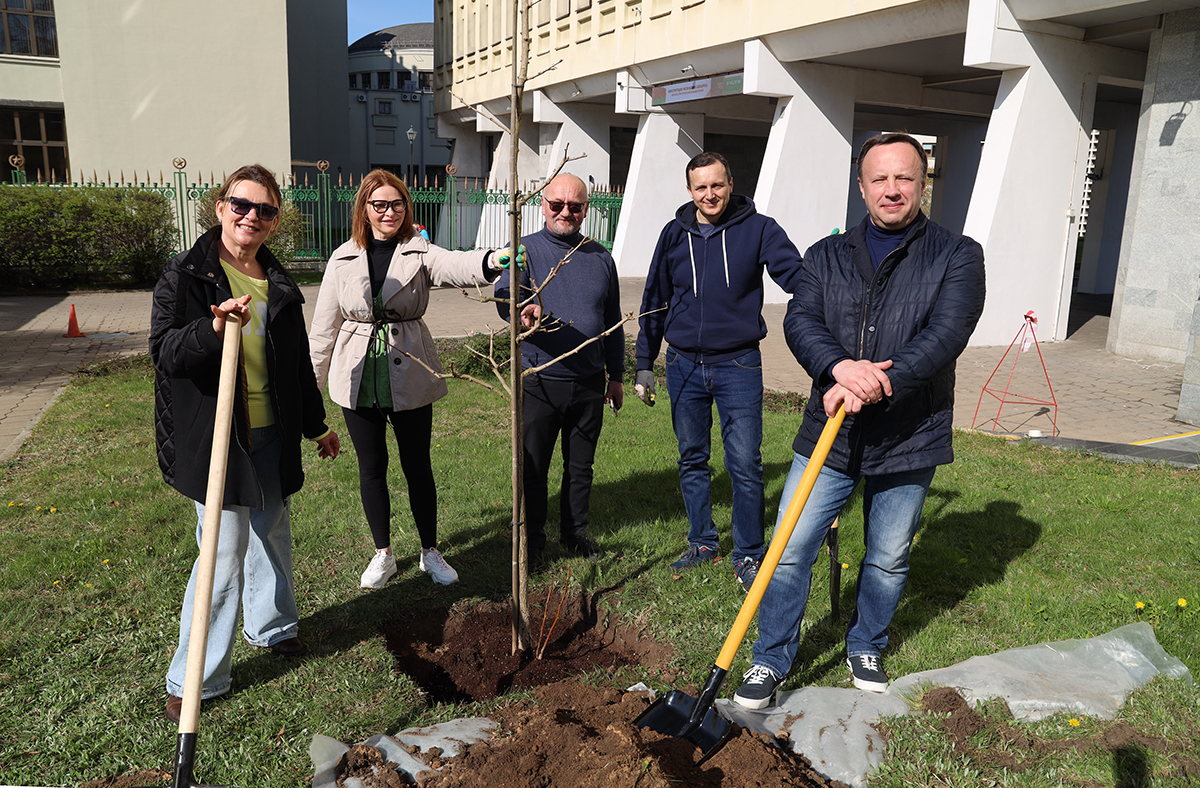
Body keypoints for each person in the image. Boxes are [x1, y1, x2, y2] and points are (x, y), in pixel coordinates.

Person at [733, 132, 986, 709]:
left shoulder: (957, 254)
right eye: (880, 178)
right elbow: (801, 322)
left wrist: (878, 382)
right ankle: (770, 659)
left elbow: (947, 334)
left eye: (905, 178)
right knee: (790, 545)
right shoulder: (827, 254)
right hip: (831, 428)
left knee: (888, 554)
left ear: (924, 183)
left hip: (909, 431)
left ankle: (866, 643)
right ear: (862, 185)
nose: (892, 189)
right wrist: (838, 367)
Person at [151, 164, 340, 723]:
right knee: (222, 554)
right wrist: (211, 331)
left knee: (272, 532)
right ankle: (195, 677)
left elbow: (295, 367)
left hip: (270, 432)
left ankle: (274, 626)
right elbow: (164, 352)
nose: (251, 218)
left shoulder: (277, 281)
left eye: (264, 210)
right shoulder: (186, 276)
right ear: (220, 208)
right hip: (216, 437)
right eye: (241, 205)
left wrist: (315, 426)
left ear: (274, 221)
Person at [309, 169, 506, 590]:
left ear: (406, 208)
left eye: (397, 204)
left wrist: (492, 260)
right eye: (379, 204)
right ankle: (383, 554)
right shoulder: (342, 258)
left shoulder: (419, 251)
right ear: (364, 208)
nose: (389, 212)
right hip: (357, 376)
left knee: (418, 465)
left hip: (410, 369)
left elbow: (455, 264)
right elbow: (323, 329)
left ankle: (430, 551)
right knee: (371, 467)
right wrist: (312, 390)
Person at [634, 151, 804, 592]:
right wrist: (643, 363)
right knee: (692, 458)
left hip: (739, 364)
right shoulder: (674, 234)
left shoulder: (760, 229)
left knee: (745, 462)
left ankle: (749, 553)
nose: (710, 194)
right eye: (700, 187)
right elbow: (654, 297)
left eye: (717, 185)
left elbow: (796, 277)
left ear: (731, 183)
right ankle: (704, 542)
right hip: (683, 364)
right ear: (689, 190)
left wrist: (830, 277)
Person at [494, 173, 624, 570]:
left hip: (588, 382)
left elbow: (612, 319)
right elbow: (505, 295)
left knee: (581, 466)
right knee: (534, 467)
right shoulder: (525, 250)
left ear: (587, 209)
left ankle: (574, 532)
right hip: (541, 380)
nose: (566, 212)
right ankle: (532, 541)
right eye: (557, 205)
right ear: (544, 205)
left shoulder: (601, 256)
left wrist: (616, 375)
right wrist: (520, 309)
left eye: (575, 206)